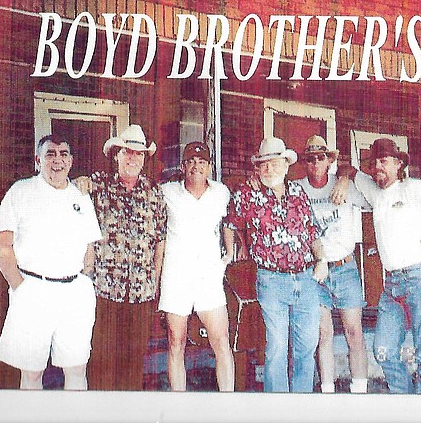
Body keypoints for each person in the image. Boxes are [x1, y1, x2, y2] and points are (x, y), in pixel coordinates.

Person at [344, 137, 421, 394]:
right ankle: (404, 402)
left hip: (419, 278)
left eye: (384, 161)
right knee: (383, 350)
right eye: (374, 161)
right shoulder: (376, 193)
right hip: (392, 285)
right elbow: (350, 171)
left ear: (399, 164)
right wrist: (344, 177)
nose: (378, 166)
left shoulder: (411, 188)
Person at [0, 135, 101, 390]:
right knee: (31, 373)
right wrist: (21, 287)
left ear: (71, 161)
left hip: (74, 293)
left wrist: (85, 278)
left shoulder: (80, 196)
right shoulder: (21, 191)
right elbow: (0, 244)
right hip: (33, 291)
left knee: (76, 369)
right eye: (50, 154)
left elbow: (89, 245)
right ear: (38, 160)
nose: (57, 160)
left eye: (63, 154)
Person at [223, 137, 328, 393]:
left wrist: (322, 260)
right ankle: (277, 407)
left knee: (306, 346)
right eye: (263, 164)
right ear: (257, 168)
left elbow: (312, 232)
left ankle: (301, 403)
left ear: (286, 164)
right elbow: (230, 225)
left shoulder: (298, 193)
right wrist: (233, 253)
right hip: (271, 281)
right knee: (277, 347)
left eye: (274, 163)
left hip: (305, 279)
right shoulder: (246, 195)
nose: (269, 169)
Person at [80, 124, 168, 391]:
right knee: (102, 359)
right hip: (106, 290)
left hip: (141, 292)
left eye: (138, 154)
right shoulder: (98, 186)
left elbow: (160, 241)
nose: (132, 158)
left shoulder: (155, 193)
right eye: (127, 152)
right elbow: (72, 194)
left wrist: (155, 279)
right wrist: (78, 182)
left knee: (133, 361)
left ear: (144, 159)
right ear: (116, 155)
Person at [295, 135, 370, 394]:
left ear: (329, 160)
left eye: (321, 157)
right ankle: (327, 393)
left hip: (345, 267)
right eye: (310, 158)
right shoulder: (297, 189)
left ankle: (359, 392)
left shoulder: (346, 186)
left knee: (353, 332)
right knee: (323, 335)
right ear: (304, 163)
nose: (316, 163)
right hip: (315, 271)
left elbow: (374, 198)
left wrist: (348, 177)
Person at [158, 141, 235, 391]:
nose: (196, 166)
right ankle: (179, 404)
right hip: (176, 277)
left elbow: (230, 222)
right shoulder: (166, 192)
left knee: (221, 340)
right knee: (175, 342)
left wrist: (229, 253)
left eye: (201, 162)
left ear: (209, 167)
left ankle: (228, 403)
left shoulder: (222, 192)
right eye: (191, 161)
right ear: (182, 166)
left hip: (208, 278)